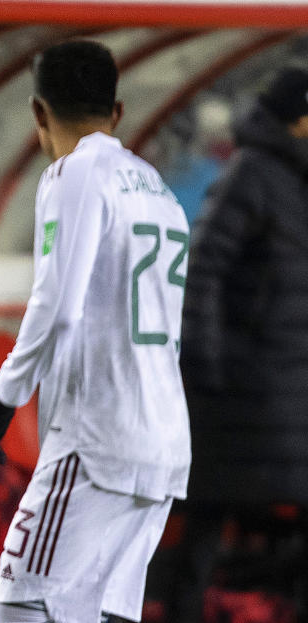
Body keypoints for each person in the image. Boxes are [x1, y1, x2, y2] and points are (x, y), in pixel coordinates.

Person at [0, 40, 191, 623]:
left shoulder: (72, 173)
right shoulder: (159, 190)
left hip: (96, 440)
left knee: (22, 605)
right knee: (106, 613)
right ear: (117, 112)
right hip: (164, 441)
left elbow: (57, 305)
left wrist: (2, 396)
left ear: (38, 112)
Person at [173, 66, 308, 623]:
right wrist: (206, 370)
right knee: (209, 513)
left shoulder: (294, 177)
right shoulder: (250, 175)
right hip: (246, 387)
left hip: (286, 382)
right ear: (298, 121)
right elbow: (201, 274)